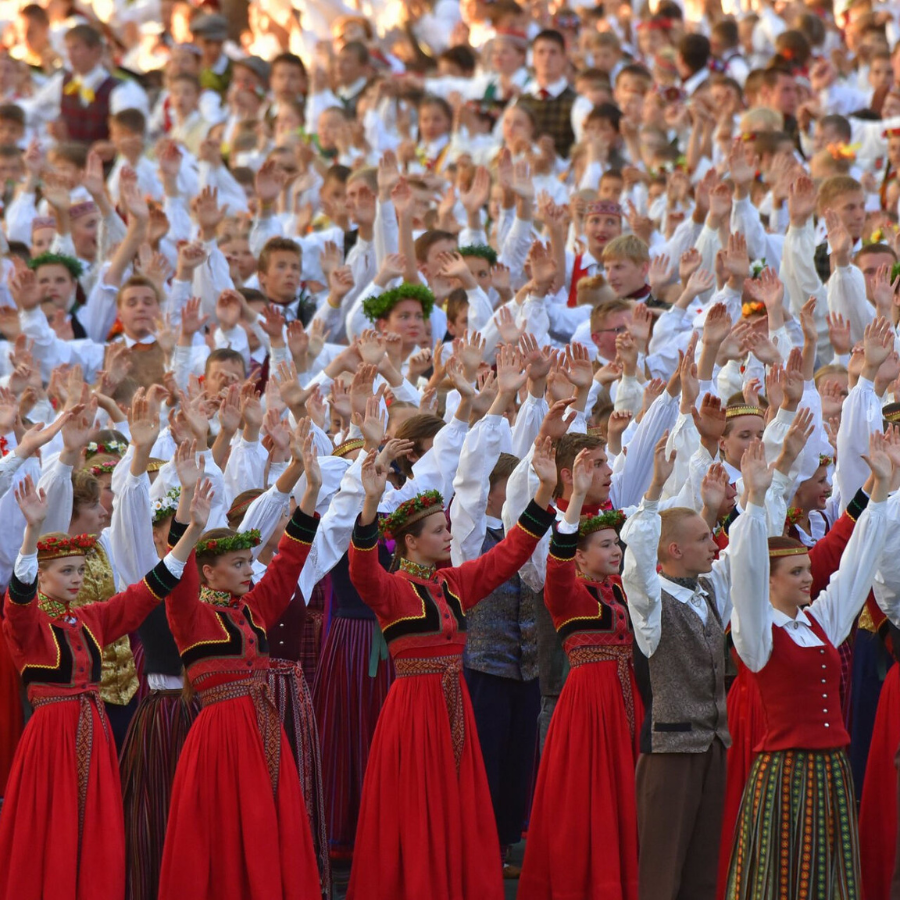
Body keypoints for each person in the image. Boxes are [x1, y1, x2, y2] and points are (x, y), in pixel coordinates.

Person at [345, 437, 559, 900]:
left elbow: (509, 555)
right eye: (439, 530)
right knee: (415, 803)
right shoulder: (392, 590)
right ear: (410, 542)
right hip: (413, 713)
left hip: (454, 707)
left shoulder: (453, 584)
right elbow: (361, 571)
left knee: (455, 800)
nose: (448, 536)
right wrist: (370, 503)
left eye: (447, 528)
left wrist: (544, 492)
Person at [0, 466, 211, 900]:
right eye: (66, 571)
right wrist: (32, 532)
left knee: (96, 825)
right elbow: (18, 599)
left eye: (80, 570)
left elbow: (146, 592)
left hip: (93, 732)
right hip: (51, 739)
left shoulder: (91, 619)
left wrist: (191, 533)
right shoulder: (28, 627)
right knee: (53, 826)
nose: (77, 579)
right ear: (43, 576)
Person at [157, 420, 325, 900]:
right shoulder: (190, 615)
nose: (251, 571)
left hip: (263, 728)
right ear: (209, 573)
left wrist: (311, 491)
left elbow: (288, 562)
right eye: (239, 564)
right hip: (221, 738)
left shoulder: (253, 610)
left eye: (250, 562)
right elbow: (177, 573)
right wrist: (188, 509)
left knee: (267, 823)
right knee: (226, 829)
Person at [725, 435, 893, 899]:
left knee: (827, 877)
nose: (807, 578)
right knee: (782, 878)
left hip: (831, 768)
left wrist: (881, 488)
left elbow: (855, 568)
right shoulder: (757, 633)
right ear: (771, 581)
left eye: (806, 569)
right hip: (786, 772)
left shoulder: (818, 622)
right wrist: (754, 501)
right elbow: (746, 571)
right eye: (796, 572)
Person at [518, 449, 641, 900]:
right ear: (581, 558)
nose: (615, 551)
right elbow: (556, 561)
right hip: (588, 707)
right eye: (605, 545)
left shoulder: (621, 589)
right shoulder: (566, 594)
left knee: (626, 794)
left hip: (626, 702)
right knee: (588, 797)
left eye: (616, 544)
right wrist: (574, 501)